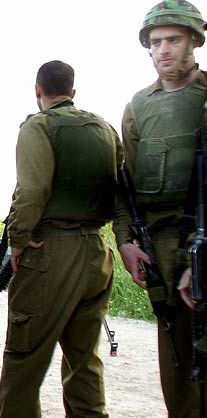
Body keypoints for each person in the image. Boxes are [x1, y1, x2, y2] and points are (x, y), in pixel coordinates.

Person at [0, 60, 122, 418]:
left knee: (23, 361)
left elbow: (32, 191)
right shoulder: (105, 128)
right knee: (85, 361)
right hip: (97, 252)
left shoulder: (39, 126)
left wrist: (18, 239)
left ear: (38, 90)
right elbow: (123, 190)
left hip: (50, 252)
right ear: (73, 92)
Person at [113, 1, 207, 416]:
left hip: (201, 238)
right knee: (177, 362)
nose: (163, 50)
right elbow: (126, 185)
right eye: (155, 42)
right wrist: (126, 242)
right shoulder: (138, 107)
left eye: (173, 40)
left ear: (194, 42)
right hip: (161, 246)